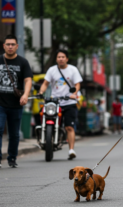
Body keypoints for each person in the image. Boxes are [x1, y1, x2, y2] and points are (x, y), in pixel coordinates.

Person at [38, 49, 83, 160]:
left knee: (69, 127)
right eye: (59, 57)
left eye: (63, 57)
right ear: (56, 59)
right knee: (47, 117)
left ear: (67, 59)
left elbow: (77, 84)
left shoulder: (73, 70)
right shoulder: (52, 70)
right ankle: (47, 139)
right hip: (54, 102)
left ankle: (71, 150)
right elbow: (45, 83)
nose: (61, 59)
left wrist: (74, 93)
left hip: (69, 102)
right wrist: (40, 93)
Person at [0, 34, 33, 168]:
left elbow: (28, 80)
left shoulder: (23, 62)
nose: (10, 46)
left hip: (16, 104)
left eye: (13, 44)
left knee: (14, 134)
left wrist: (25, 94)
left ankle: (12, 158)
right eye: (8, 44)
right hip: (0, 103)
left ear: (17, 46)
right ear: (4, 46)